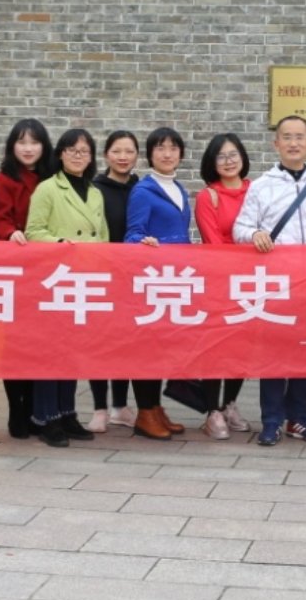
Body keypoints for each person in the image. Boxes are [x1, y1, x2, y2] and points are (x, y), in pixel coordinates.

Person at [234, 116, 306, 446]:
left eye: (300, 137)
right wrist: (254, 234)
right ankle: (271, 421)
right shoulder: (261, 186)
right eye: (287, 137)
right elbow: (240, 228)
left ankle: (298, 417)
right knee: (273, 354)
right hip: (276, 284)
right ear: (276, 144)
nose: (294, 143)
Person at [24, 128, 107, 447]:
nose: (77, 155)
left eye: (84, 151)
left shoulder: (95, 192)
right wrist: (60, 243)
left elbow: (103, 236)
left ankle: (67, 412)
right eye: (71, 150)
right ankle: (47, 418)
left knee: (72, 350)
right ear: (60, 154)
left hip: (85, 280)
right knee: (51, 350)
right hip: (55, 278)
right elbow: (33, 231)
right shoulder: (47, 188)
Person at [123, 126, 194, 441]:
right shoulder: (143, 190)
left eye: (173, 148)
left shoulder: (178, 188)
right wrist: (145, 242)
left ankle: (155, 407)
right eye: (160, 148)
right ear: (150, 154)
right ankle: (144, 412)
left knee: (163, 347)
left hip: (175, 279)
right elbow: (132, 235)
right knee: (147, 349)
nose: (167, 154)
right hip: (152, 281)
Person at [0, 117, 54, 439]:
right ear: (12, 146)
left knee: (41, 344)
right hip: (15, 271)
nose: (28, 148)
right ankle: (17, 409)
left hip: (46, 272)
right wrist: (9, 232)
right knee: (14, 344)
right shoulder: (4, 180)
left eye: (34, 142)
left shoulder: (51, 179)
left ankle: (37, 409)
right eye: (22, 142)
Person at [194, 132, 252, 436]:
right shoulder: (209, 196)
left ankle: (230, 404)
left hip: (252, 281)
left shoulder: (256, 191)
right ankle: (212, 411)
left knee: (241, 348)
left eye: (233, 154)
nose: (228, 161)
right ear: (212, 162)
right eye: (221, 156)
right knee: (217, 348)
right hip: (220, 282)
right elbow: (213, 242)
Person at [88, 130, 139, 433]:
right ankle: (99, 408)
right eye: (117, 151)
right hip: (101, 275)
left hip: (132, 277)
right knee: (99, 344)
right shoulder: (95, 189)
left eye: (129, 151)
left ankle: (120, 406)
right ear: (106, 154)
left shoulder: (140, 188)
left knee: (126, 344)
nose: (123, 157)